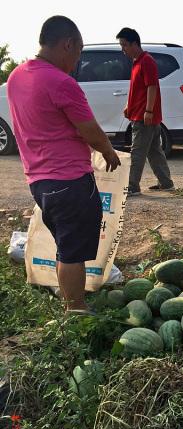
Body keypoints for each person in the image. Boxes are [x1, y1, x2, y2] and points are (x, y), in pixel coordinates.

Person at [7, 16, 121, 315]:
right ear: (67, 44)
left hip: (39, 181)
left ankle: (71, 296)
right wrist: (108, 150)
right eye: (79, 52)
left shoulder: (18, 76)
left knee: (64, 243)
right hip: (69, 181)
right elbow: (90, 129)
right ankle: (76, 309)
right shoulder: (61, 81)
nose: (77, 60)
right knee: (72, 252)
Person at [116, 27, 174, 195]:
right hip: (141, 114)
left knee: (137, 151)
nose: (123, 49)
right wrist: (129, 106)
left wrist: (148, 111)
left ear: (135, 43)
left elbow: (152, 86)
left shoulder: (146, 60)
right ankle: (166, 183)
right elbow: (137, 88)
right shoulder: (137, 62)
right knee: (154, 151)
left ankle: (132, 186)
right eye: (121, 45)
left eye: (125, 45)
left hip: (144, 117)